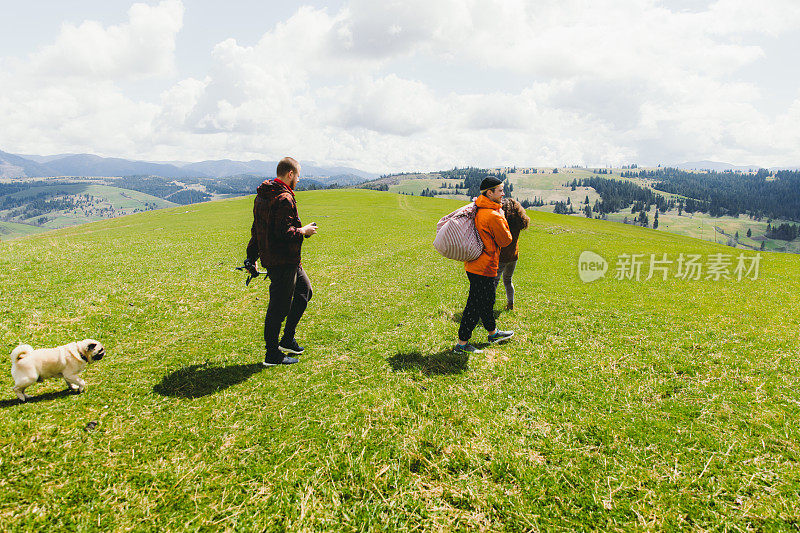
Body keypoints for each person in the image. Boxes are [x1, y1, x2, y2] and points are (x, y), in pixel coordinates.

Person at [244, 157, 318, 366]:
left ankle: (287, 340)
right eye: (298, 176)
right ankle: (272, 354)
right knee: (278, 308)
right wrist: (303, 231)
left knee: (305, 292)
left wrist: (251, 257)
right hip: (282, 261)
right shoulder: (284, 198)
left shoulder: (263, 197)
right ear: (290, 174)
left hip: (286, 260)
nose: (298, 180)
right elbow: (283, 233)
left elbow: (256, 230)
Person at [455, 176, 515, 354]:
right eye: (500, 190)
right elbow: (506, 240)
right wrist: (502, 216)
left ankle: (493, 333)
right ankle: (462, 344)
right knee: (474, 305)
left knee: (487, 301)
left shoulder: (480, 208)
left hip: (475, 264)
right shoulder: (493, 215)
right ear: (490, 193)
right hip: (484, 266)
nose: (503, 194)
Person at [495, 197, 530, 310]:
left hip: (502, 256)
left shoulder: (504, 222)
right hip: (513, 256)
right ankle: (510, 304)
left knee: (494, 282)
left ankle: (487, 304)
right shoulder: (519, 221)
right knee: (508, 280)